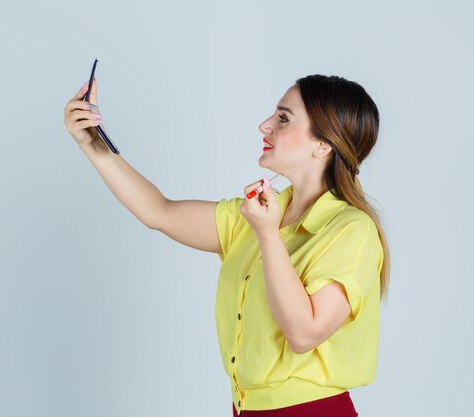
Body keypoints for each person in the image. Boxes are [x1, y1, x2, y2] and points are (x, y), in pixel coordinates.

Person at [63, 74, 390, 417]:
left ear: (323, 144)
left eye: (283, 118)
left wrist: (267, 235)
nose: (264, 126)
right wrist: (92, 144)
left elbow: (304, 333)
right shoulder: (259, 216)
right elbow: (158, 211)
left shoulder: (352, 230)